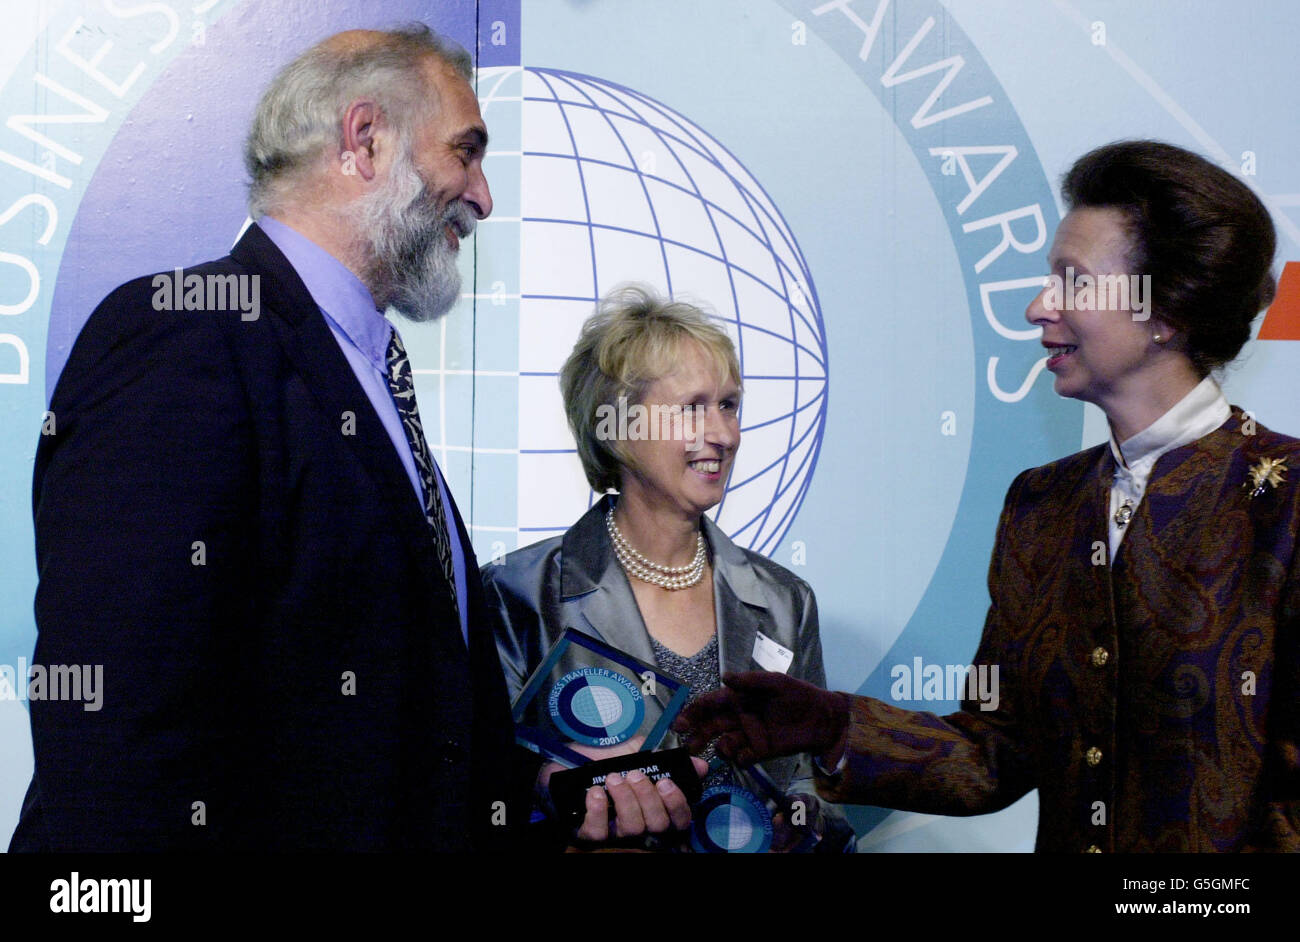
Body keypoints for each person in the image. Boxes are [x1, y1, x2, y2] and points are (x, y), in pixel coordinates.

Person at [678, 140, 1300, 853]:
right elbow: (992, 753)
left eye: (1074, 281)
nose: (1040, 307)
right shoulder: (1043, 505)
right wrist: (832, 727)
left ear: (1168, 312)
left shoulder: (1287, 503)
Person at [10, 25, 523, 851]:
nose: (483, 196)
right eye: (465, 152)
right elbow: (119, 730)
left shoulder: (367, 368)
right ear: (365, 140)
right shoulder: (184, 336)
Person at [483, 285, 852, 851]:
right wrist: (563, 803)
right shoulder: (521, 593)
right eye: (692, 408)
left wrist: (797, 820)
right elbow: (481, 790)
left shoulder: (783, 600)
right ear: (618, 427)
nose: (724, 435)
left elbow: (817, 789)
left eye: (729, 405)